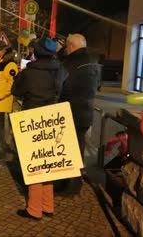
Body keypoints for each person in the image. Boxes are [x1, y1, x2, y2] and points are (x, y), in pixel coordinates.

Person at [11, 37, 64, 220]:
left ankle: (34, 209)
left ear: (35, 52)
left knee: (34, 164)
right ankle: (48, 206)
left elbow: (16, 92)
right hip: (54, 118)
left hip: (33, 119)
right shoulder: (60, 71)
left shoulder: (29, 72)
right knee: (49, 163)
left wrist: (20, 75)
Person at [58, 33, 100, 195]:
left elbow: (61, 87)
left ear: (71, 47)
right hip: (86, 112)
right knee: (79, 148)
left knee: (67, 150)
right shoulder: (94, 61)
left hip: (70, 112)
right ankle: (75, 183)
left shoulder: (70, 63)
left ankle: (69, 185)